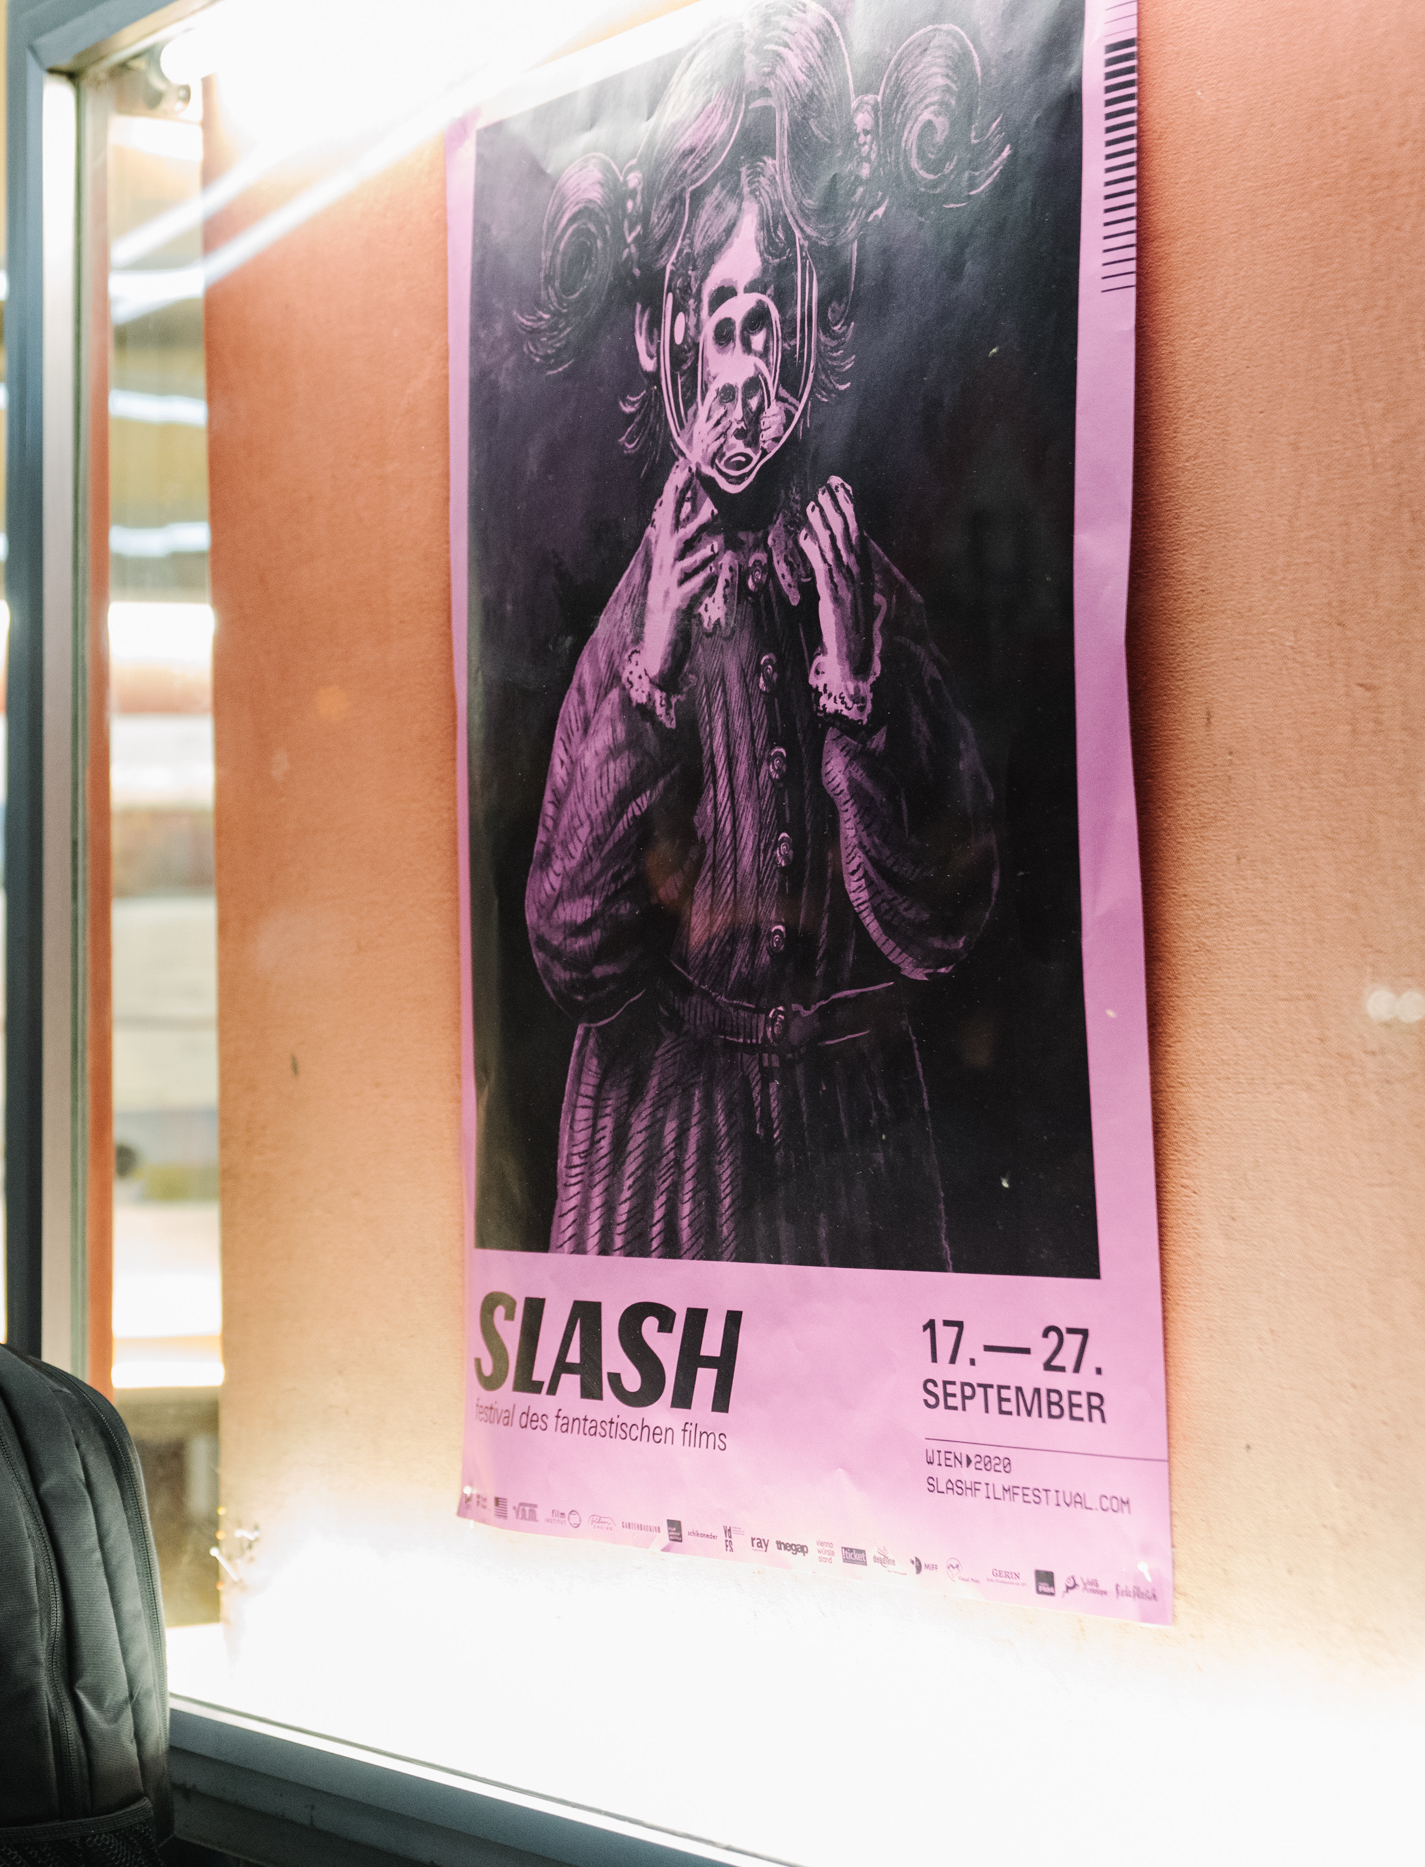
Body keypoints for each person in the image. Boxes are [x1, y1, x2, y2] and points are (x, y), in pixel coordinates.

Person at [518, 2, 1003, 1267]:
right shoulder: (641, 619)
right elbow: (572, 949)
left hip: (856, 1161)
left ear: (810, 324)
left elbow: (946, 917)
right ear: (661, 334)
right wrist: (649, 675)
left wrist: (858, 691)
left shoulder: (856, 585)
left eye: (766, 319)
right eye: (716, 319)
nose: (742, 373)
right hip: (668, 1168)